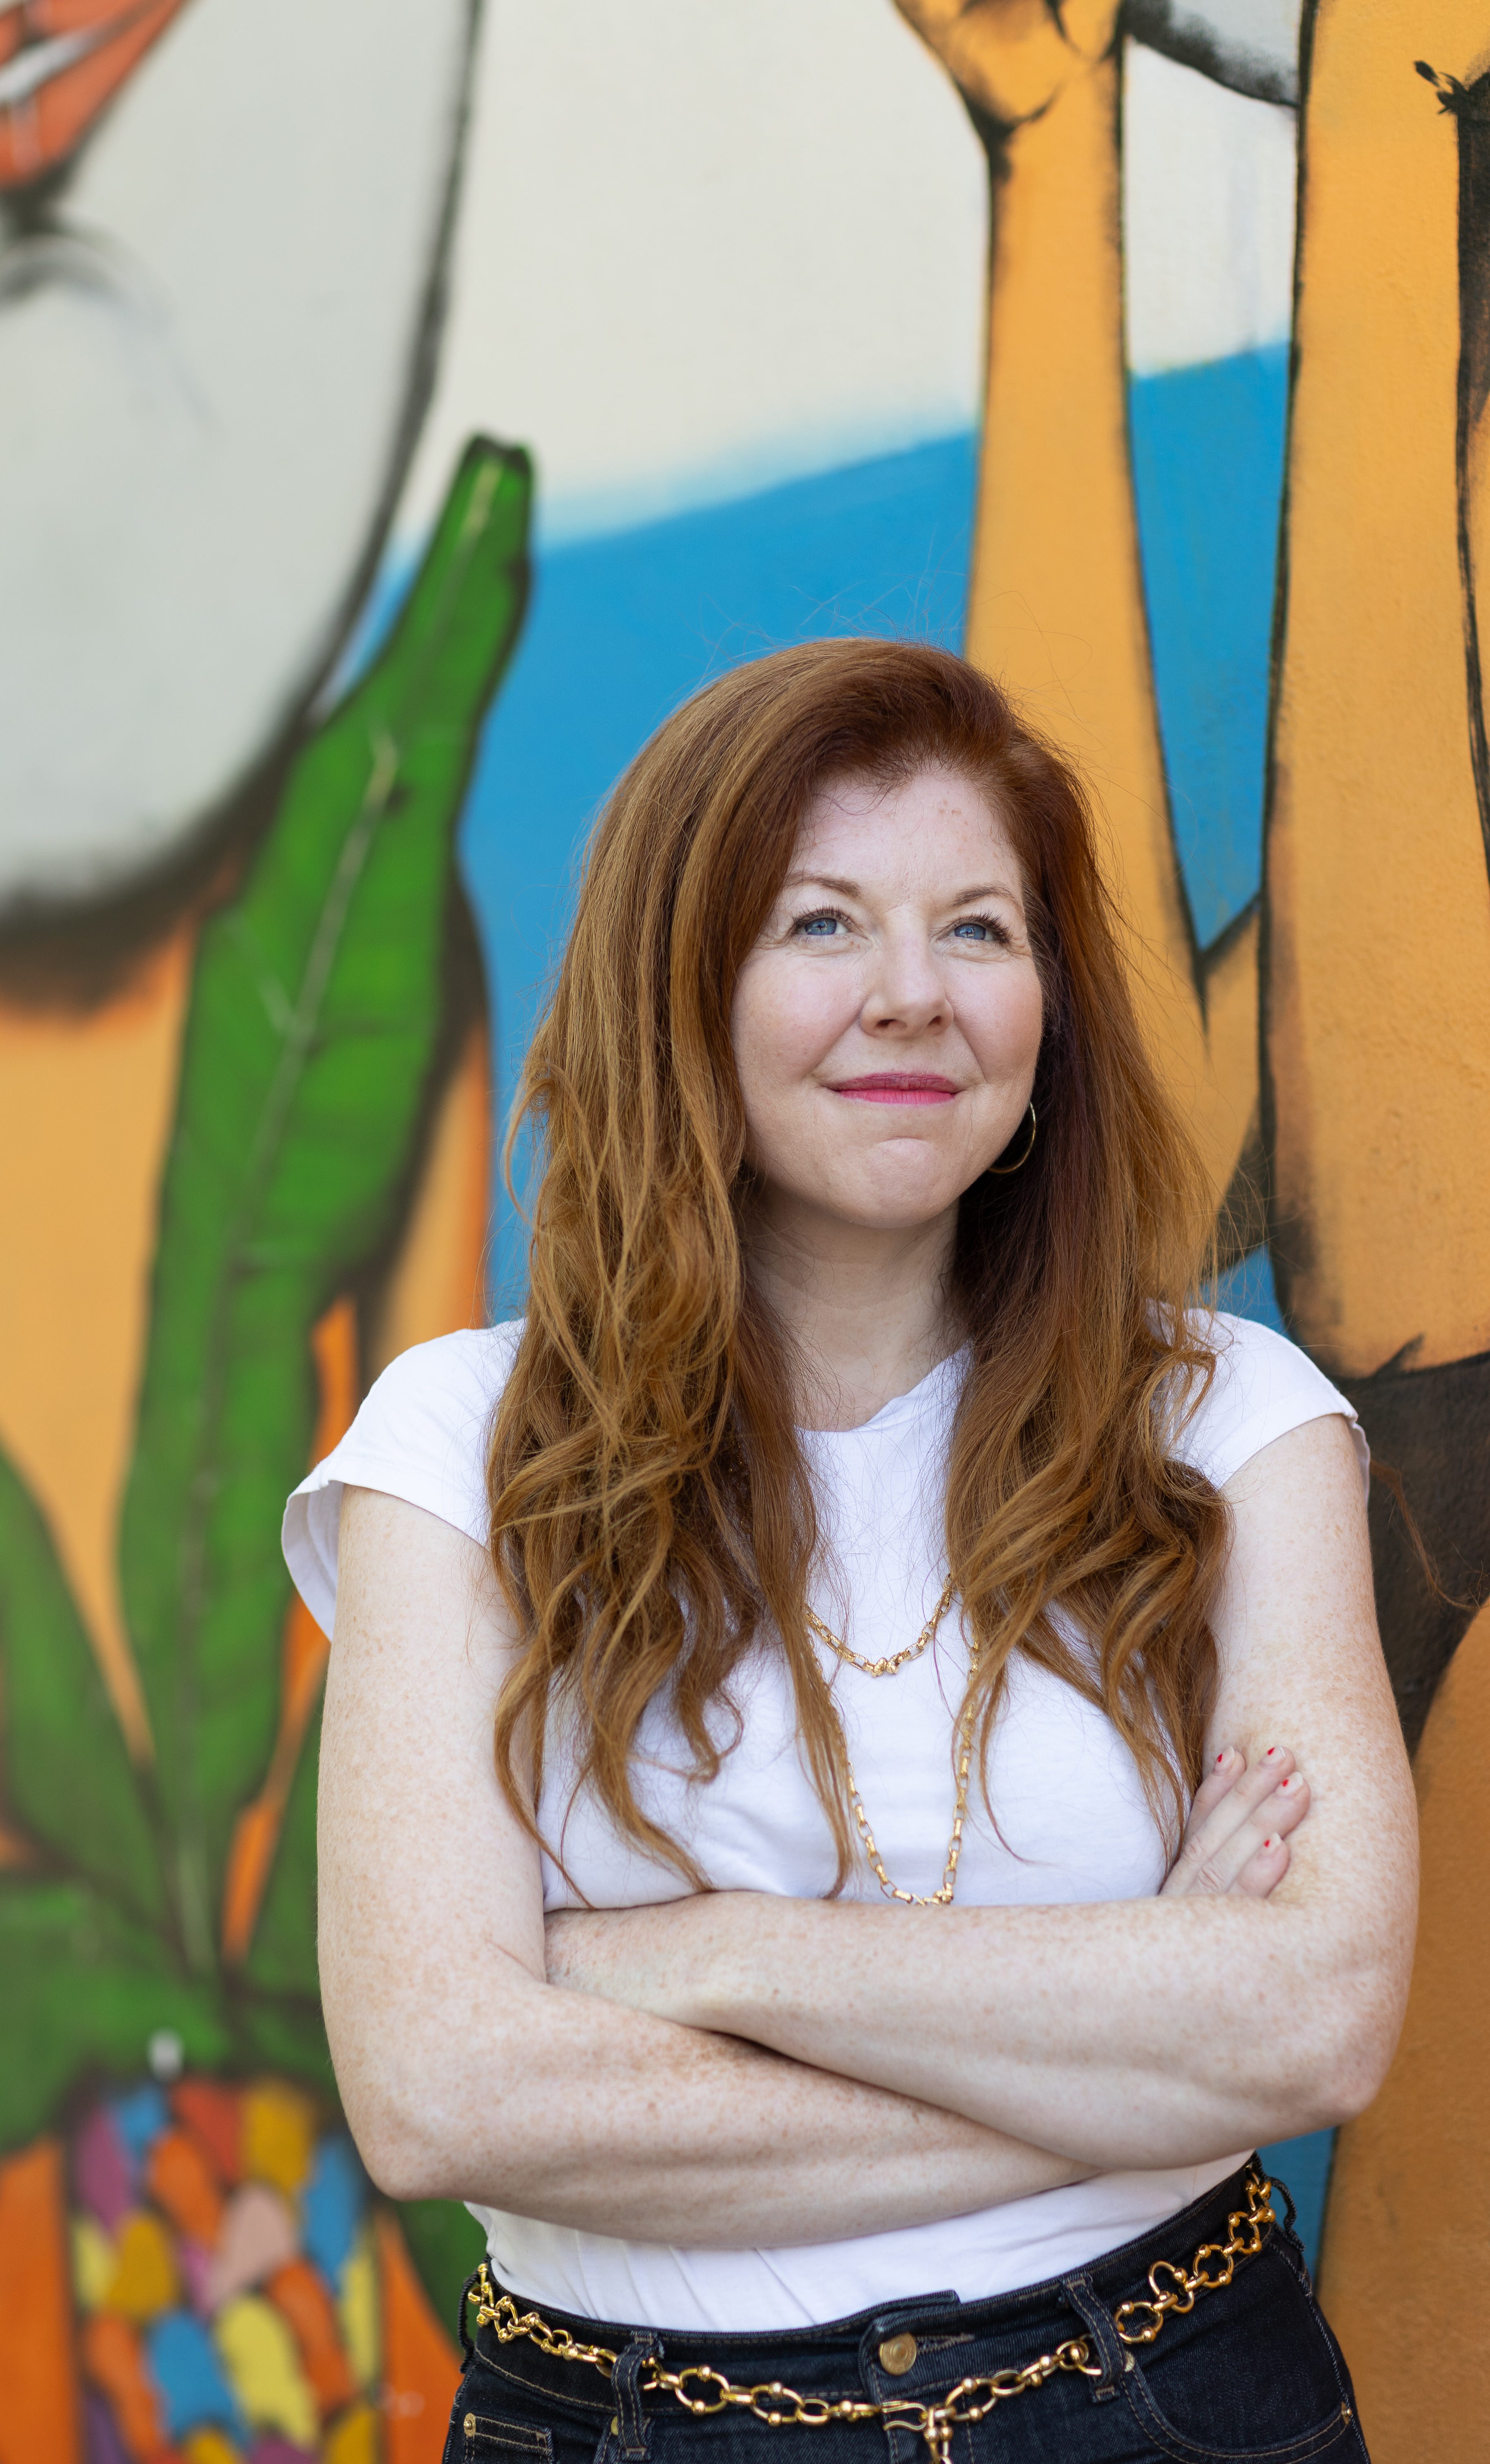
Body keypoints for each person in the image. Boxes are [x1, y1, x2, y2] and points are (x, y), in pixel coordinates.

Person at [286, 639, 1416, 2464]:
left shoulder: (1223, 1425)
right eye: (822, 925)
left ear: (1048, 1007)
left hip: (1167, 2399)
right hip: (633, 2425)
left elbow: (1318, 2021)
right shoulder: (463, 1449)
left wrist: (712, 1956)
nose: (913, 996)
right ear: (681, 988)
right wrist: (1134, 2043)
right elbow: (440, 2090)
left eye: (979, 930)